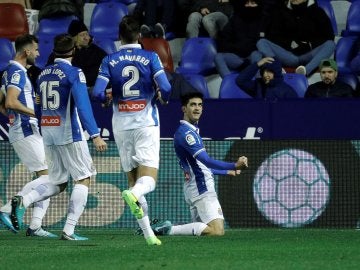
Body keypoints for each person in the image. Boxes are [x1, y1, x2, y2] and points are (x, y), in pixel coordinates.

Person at [9, 33, 107, 241]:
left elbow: (37, 104)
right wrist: (95, 134)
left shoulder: (43, 73)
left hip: (48, 133)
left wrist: (45, 123)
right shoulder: (73, 72)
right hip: (69, 133)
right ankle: (69, 230)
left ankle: (24, 201)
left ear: (54, 51)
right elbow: (83, 105)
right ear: (73, 51)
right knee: (84, 178)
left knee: (59, 182)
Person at [92, 15, 172, 245]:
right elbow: (166, 86)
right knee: (147, 181)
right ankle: (135, 196)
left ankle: (149, 235)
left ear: (119, 36)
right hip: (145, 122)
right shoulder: (150, 57)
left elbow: (97, 93)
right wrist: (162, 97)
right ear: (139, 35)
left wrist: (107, 99)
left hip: (121, 125)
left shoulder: (110, 60)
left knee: (133, 179)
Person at [145, 92, 248, 236]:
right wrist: (234, 165)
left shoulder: (189, 131)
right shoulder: (187, 134)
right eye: (192, 104)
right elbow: (206, 161)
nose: (197, 108)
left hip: (195, 186)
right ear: (184, 109)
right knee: (217, 231)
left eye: (200, 105)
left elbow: (200, 166)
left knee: (203, 233)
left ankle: (163, 229)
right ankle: (168, 229)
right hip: (202, 188)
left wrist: (225, 172)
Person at [0, 34, 56, 237]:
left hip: (22, 129)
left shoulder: (8, 71)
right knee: (50, 177)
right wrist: (38, 114)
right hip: (26, 130)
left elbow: (1, 101)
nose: (39, 53)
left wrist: (12, 117)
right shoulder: (17, 72)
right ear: (27, 51)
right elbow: (10, 102)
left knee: (47, 178)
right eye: (36, 50)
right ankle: (8, 209)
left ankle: (35, 226)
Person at [256, 0, 335, 76]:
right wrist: (290, 43)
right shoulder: (281, 11)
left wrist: (310, 44)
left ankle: (305, 70)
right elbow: (274, 36)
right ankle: (277, 67)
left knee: (331, 44)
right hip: (288, 55)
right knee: (261, 42)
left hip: (309, 54)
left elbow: (329, 35)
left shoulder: (318, 12)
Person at [47, 20, 107, 90]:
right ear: (73, 38)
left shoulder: (97, 52)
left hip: (93, 89)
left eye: (87, 34)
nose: (86, 38)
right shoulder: (62, 52)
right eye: (82, 35)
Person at [214, 0, 264, 78]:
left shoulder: (264, 19)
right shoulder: (235, 19)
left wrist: (248, 49)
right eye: (247, 3)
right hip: (237, 57)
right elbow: (223, 38)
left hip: (253, 56)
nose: (249, 5)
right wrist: (236, 48)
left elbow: (266, 43)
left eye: (253, 3)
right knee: (218, 57)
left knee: (256, 54)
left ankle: (257, 83)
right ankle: (229, 83)